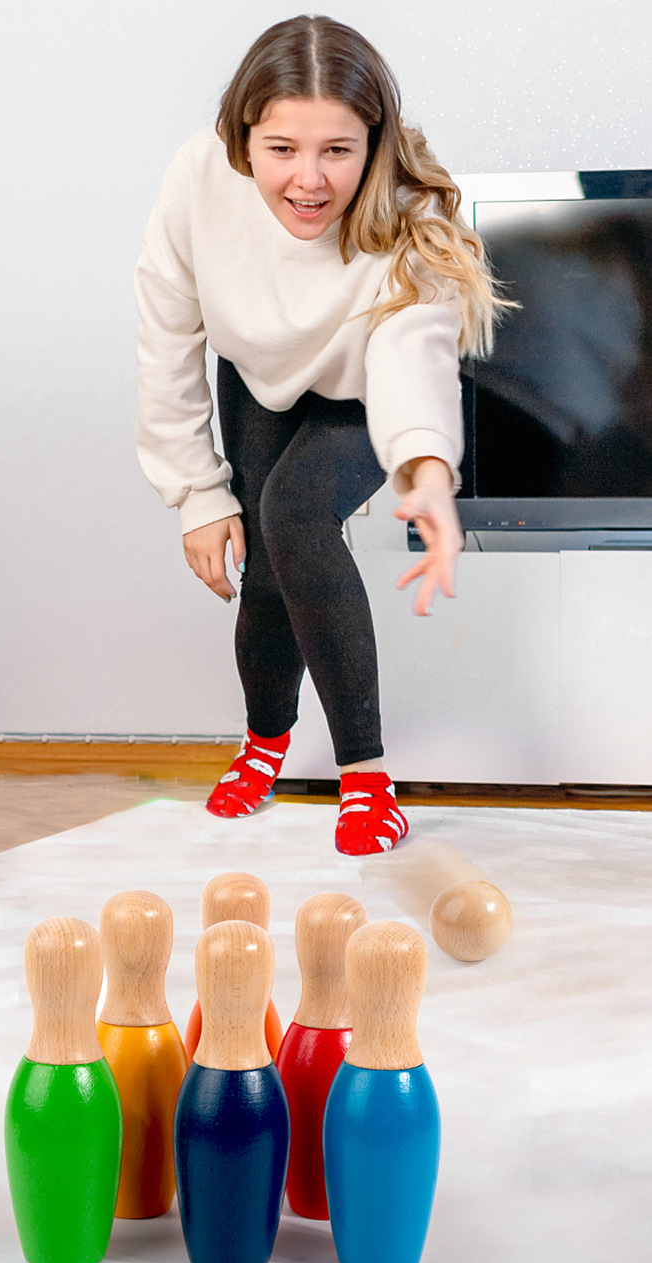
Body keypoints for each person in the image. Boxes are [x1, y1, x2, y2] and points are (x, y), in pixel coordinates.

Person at [134, 15, 503, 855]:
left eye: (338, 150)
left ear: (373, 142)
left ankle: (367, 780)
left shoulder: (405, 214)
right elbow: (167, 336)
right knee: (266, 566)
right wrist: (196, 493)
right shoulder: (198, 178)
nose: (309, 180)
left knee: (295, 513)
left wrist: (426, 471)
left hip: (366, 386)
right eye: (282, 150)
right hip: (259, 372)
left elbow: (411, 357)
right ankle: (264, 741)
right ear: (242, 140)